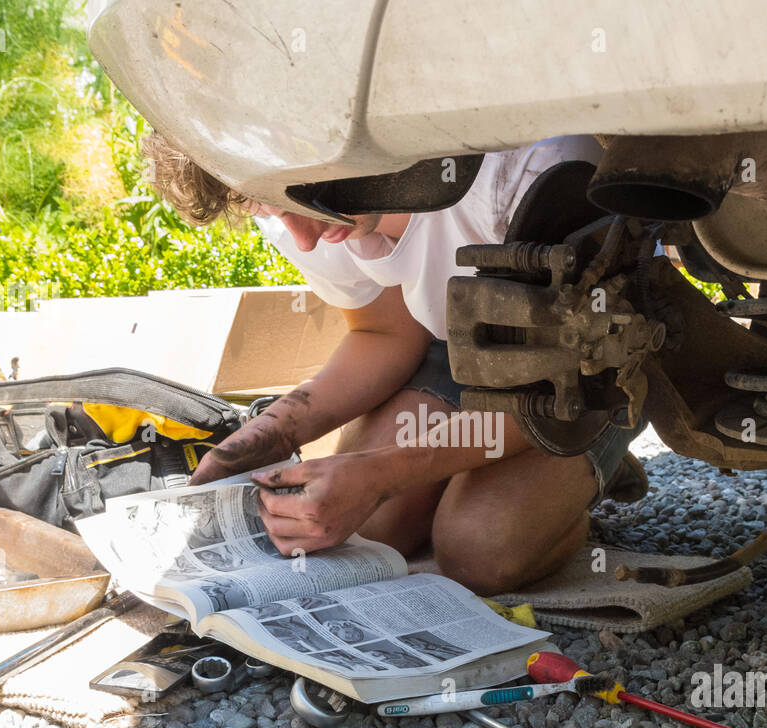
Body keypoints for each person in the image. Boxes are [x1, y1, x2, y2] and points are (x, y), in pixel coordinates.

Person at [143, 134, 646, 595]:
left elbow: (562, 387)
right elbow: (383, 334)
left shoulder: (528, 173)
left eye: (293, 202)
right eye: (268, 210)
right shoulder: (301, 202)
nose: (301, 239)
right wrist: (271, 433)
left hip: (584, 375)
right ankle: (484, 475)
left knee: (479, 550)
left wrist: (379, 473)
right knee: (365, 532)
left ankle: (588, 470)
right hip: (461, 350)